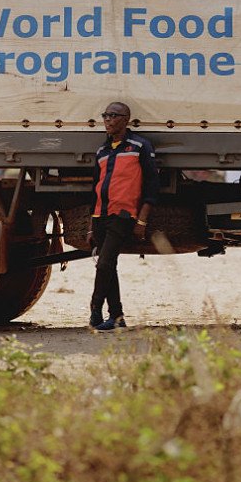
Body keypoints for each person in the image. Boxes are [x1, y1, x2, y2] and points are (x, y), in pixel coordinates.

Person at [86, 102, 159, 330]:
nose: (108, 120)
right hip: (100, 215)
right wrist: (90, 225)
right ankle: (117, 317)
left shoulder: (139, 146)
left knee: (104, 264)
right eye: (105, 115)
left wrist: (142, 220)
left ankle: (95, 309)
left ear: (126, 119)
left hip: (123, 215)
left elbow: (152, 186)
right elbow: (95, 188)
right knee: (109, 266)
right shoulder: (102, 151)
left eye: (113, 115)